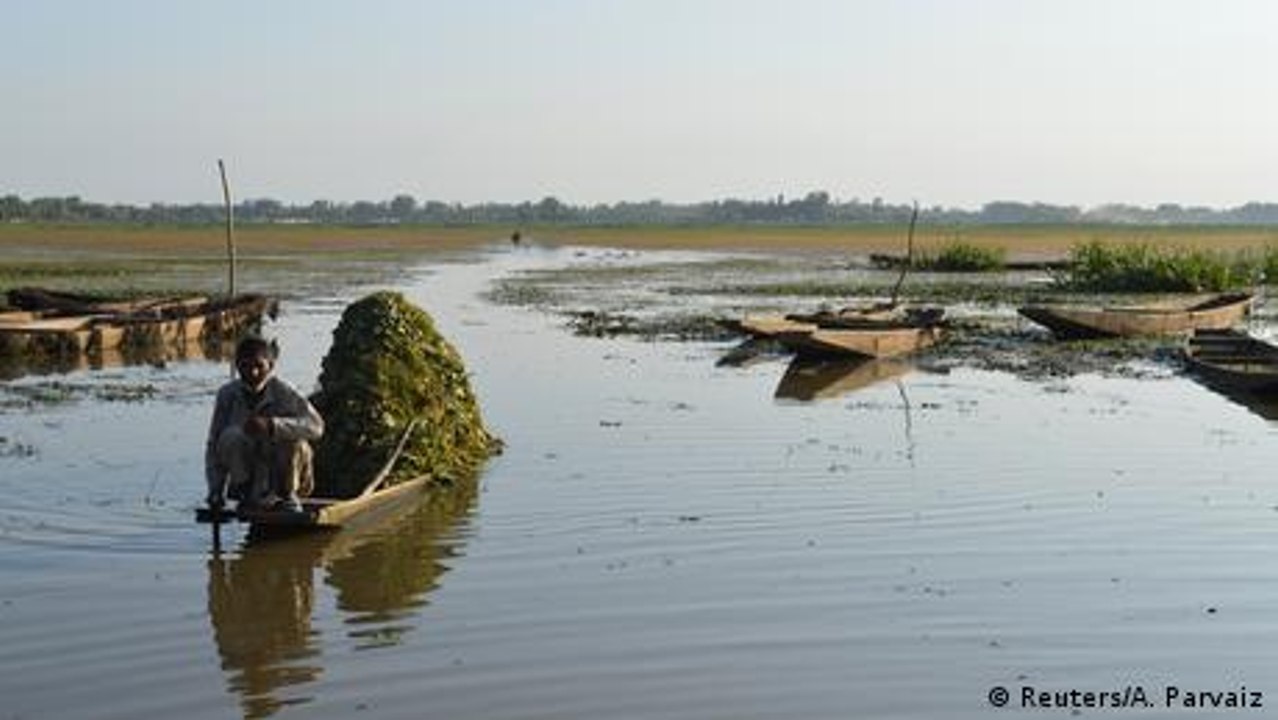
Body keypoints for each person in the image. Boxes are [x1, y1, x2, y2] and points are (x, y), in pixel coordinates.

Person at [205, 336, 324, 513]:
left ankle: (287, 496)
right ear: (237, 366)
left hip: (285, 473)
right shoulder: (227, 394)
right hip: (253, 473)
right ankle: (245, 492)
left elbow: (316, 427)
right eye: (245, 366)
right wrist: (215, 491)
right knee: (230, 436)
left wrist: (273, 425)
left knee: (294, 440)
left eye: (259, 366)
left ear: (271, 366)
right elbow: (214, 446)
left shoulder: (284, 391)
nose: (252, 373)